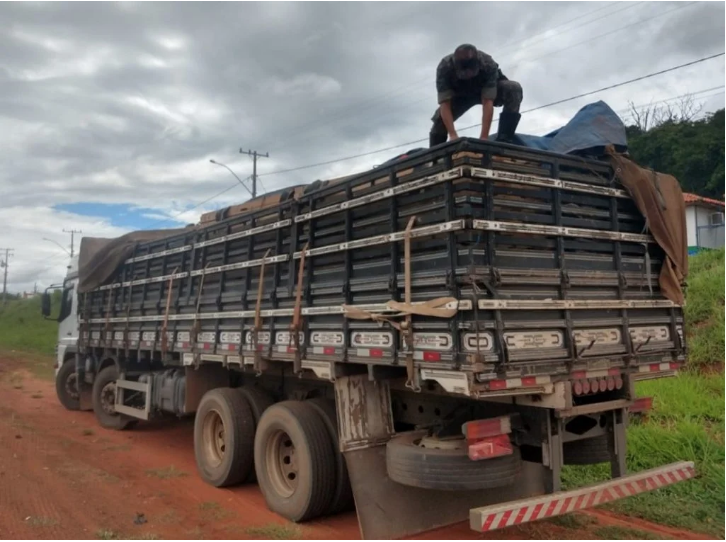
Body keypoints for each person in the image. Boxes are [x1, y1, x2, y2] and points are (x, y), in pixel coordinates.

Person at [429, 44, 523, 147]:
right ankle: (435, 157)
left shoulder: (487, 63)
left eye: (470, 72)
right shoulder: (444, 67)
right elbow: (445, 103)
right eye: (464, 73)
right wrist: (453, 135)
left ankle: (504, 139)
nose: (467, 76)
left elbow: (488, 101)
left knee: (513, 89)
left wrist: (484, 137)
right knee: (440, 122)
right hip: (460, 95)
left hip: (484, 90)